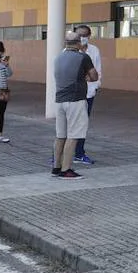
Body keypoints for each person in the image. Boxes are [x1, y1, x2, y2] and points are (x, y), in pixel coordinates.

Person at [52, 32, 96, 180]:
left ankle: (56, 167)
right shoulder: (83, 57)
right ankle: (66, 169)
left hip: (59, 100)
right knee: (74, 135)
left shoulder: (58, 57)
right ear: (78, 43)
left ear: (65, 43)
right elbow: (94, 76)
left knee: (60, 136)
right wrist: (86, 77)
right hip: (76, 100)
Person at [73, 25, 103, 165]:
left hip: (89, 93)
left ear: (89, 36)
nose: (82, 38)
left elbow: (97, 71)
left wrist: (95, 86)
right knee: (70, 124)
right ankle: (60, 154)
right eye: (79, 35)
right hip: (72, 94)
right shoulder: (69, 51)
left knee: (83, 123)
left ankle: (79, 153)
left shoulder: (94, 50)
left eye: (85, 35)